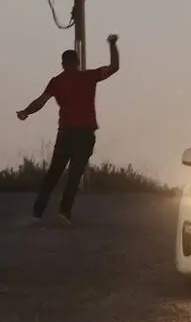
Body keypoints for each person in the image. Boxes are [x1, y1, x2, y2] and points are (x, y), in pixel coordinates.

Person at [16, 35, 120, 225]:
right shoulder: (88, 76)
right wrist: (112, 45)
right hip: (84, 133)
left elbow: (41, 101)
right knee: (74, 175)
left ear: (63, 63)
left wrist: (26, 112)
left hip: (65, 133)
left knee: (53, 174)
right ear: (77, 62)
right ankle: (64, 212)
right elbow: (114, 67)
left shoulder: (57, 81)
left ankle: (37, 213)